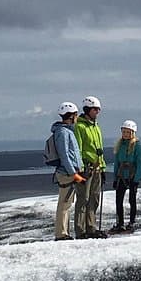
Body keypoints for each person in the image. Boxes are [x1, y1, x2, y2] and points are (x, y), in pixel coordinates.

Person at [73, 96, 108, 239]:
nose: (97, 112)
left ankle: (91, 228)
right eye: (95, 109)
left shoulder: (96, 126)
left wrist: (103, 167)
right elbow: (78, 149)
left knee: (94, 198)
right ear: (87, 109)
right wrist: (80, 168)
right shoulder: (80, 127)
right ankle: (81, 231)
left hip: (97, 168)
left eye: (98, 109)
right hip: (86, 168)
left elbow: (99, 149)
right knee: (83, 199)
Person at [51, 102, 87, 241]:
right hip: (66, 173)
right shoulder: (63, 132)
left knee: (67, 204)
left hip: (68, 172)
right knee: (64, 204)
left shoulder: (65, 131)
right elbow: (65, 154)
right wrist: (74, 173)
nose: (77, 117)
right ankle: (61, 233)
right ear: (71, 116)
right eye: (76, 115)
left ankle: (63, 232)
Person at [109, 120, 141, 234]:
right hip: (121, 176)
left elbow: (140, 163)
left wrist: (137, 179)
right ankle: (120, 223)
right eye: (124, 132)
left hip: (132, 176)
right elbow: (116, 163)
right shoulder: (120, 145)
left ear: (133, 133)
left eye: (128, 132)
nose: (125, 134)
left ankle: (132, 222)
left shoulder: (137, 145)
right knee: (118, 201)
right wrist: (115, 178)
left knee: (132, 200)